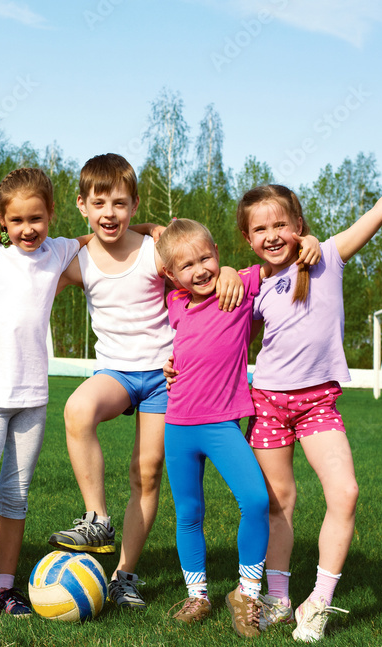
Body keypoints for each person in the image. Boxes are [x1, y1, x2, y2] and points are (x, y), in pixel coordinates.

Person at [240, 138, 382, 641]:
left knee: (345, 492)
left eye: (281, 225)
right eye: (260, 229)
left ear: (299, 226)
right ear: (249, 239)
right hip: (268, 404)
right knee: (280, 504)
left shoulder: (328, 257)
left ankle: (317, 604)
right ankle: (277, 599)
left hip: (318, 401)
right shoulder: (255, 288)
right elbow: (225, 340)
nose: (273, 235)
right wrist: (174, 363)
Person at [46, 153, 243, 610]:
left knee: (146, 472)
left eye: (119, 203)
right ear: (82, 205)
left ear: (134, 205)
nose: (109, 213)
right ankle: (97, 519)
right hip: (115, 373)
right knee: (77, 409)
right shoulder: (76, 258)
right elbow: (28, 265)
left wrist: (229, 270)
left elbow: (197, 267)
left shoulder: (154, 251)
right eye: (99, 203)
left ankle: (124, 576)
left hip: (162, 376)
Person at [0, 168, 88, 618]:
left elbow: (104, 235)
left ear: (51, 215)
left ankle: (6, 591)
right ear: (1, 222)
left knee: (15, 494)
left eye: (37, 218)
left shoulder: (58, 252)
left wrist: (153, 229)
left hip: (33, 397)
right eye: (17, 221)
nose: (28, 229)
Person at [156, 219, 275, 637]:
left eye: (207, 258)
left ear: (220, 253)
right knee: (189, 513)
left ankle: (247, 592)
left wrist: (308, 240)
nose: (201, 270)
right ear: (172, 274)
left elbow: (278, 261)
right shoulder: (174, 302)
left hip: (223, 423)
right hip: (178, 425)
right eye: (187, 265)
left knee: (256, 501)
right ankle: (198, 596)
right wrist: (171, 364)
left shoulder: (237, 288)